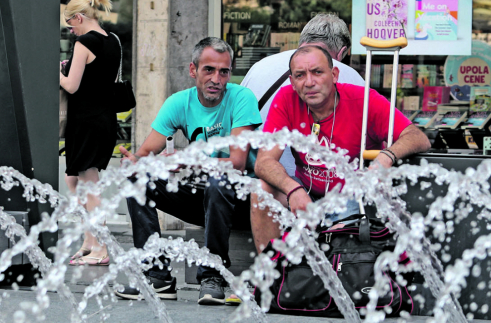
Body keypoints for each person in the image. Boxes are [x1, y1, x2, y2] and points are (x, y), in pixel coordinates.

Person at [115, 37, 262, 305]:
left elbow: (237, 162)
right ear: (193, 70)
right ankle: (156, 275)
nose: (217, 78)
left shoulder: (242, 98)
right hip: (204, 199)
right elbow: (147, 152)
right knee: (137, 179)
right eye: (209, 70)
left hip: (242, 202)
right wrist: (135, 161)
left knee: (220, 178)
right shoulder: (178, 103)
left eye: (224, 71)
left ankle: (213, 273)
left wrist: (188, 159)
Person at [252, 45, 431, 252]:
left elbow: (417, 137)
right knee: (260, 190)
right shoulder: (286, 99)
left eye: (317, 72)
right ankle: (270, 278)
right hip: (307, 191)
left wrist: (386, 156)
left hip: (353, 197)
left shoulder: (364, 100)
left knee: (340, 250)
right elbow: (264, 162)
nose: (309, 82)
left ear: (334, 75)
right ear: (292, 82)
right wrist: (293, 189)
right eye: (300, 75)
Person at [241, 13, 365, 179]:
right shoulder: (346, 74)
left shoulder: (259, 67)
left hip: (257, 180)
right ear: (342, 52)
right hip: (313, 185)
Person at [59, 0, 121, 266]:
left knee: (89, 184)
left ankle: (102, 247)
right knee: (74, 179)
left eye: (71, 22)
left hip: (87, 120)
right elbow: (102, 76)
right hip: (104, 118)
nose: (71, 29)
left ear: (80, 17)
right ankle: (88, 239)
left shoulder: (84, 43)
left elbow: (71, 86)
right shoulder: (114, 40)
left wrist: (56, 71)